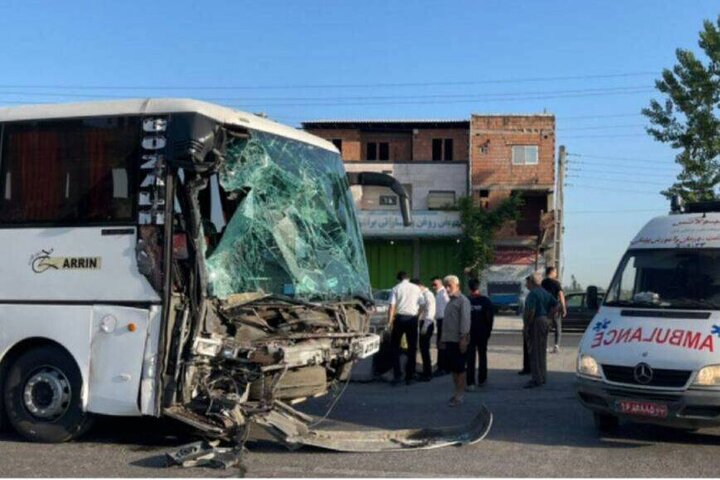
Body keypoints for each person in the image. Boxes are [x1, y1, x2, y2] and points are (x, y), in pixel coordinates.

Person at [388, 271, 425, 385]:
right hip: (412, 319)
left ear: (399, 279)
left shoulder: (395, 288)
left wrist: (389, 322)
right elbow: (423, 304)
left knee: (395, 347)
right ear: (408, 278)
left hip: (399, 319)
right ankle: (410, 376)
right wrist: (417, 316)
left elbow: (392, 306)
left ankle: (397, 375)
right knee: (412, 348)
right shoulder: (416, 288)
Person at [439, 275, 471, 406]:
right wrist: (442, 339)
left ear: (457, 286)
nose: (447, 288)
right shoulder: (450, 301)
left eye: (449, 286)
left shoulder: (463, 301)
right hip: (449, 340)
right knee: (453, 369)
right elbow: (447, 323)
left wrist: (463, 339)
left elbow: (465, 321)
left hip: (459, 341)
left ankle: (460, 395)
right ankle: (456, 392)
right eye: (446, 286)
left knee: (460, 369)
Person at [523, 272, 558, 389]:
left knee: (534, 351)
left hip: (536, 322)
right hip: (544, 321)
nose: (526, 284)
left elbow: (531, 311)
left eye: (527, 282)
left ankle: (536, 378)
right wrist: (550, 317)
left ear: (532, 282)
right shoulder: (545, 293)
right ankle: (543, 376)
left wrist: (526, 325)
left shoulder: (533, 294)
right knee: (542, 350)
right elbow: (557, 305)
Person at [466, 278, 494, 390]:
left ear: (469, 288)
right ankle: (482, 379)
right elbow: (490, 318)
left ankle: (470, 382)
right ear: (479, 287)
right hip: (482, 332)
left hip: (469, 333)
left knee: (470, 358)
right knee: (483, 356)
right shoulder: (486, 301)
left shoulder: (466, 300)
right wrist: (488, 331)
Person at [412, 278, 436, 381]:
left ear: (418, 286)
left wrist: (425, 326)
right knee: (423, 349)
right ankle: (426, 372)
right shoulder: (423, 295)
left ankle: (428, 374)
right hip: (423, 323)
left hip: (427, 323)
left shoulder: (428, 295)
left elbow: (430, 311)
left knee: (425, 349)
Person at [542, 266, 567, 354]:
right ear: (552, 272)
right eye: (555, 272)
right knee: (557, 327)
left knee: (546, 328)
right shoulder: (556, 283)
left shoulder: (543, 283)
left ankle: (544, 347)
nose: (556, 274)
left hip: (545, 308)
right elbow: (561, 295)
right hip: (555, 308)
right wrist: (564, 307)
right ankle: (556, 346)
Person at [431, 276, 450, 376]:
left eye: (435, 284)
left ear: (440, 283)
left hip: (444, 321)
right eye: (432, 285)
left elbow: (448, 306)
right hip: (439, 321)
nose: (433, 287)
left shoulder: (443, 293)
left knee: (442, 344)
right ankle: (441, 365)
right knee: (440, 344)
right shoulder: (439, 293)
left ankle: (443, 367)